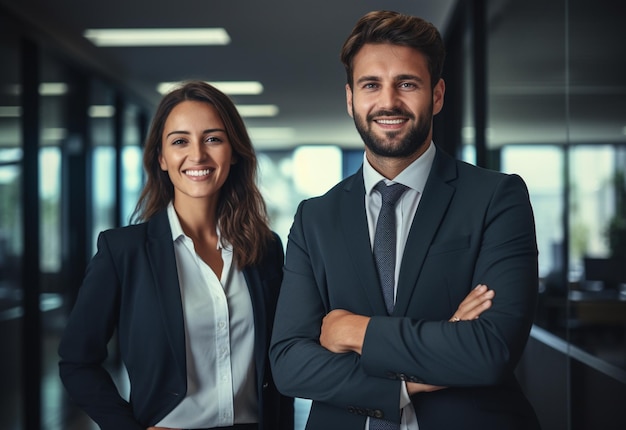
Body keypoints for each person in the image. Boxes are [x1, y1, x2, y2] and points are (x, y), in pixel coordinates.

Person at [269, 10, 540, 430]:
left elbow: (489, 350)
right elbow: (290, 364)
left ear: (437, 95)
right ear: (350, 99)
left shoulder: (496, 198)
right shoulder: (315, 218)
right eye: (371, 85)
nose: (388, 101)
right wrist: (414, 378)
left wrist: (352, 330)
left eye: (407, 83)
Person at [59, 80, 294, 430]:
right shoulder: (124, 251)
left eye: (213, 138)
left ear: (234, 152)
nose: (197, 155)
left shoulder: (265, 248)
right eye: (180, 141)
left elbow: (283, 352)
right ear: (162, 158)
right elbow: (76, 362)